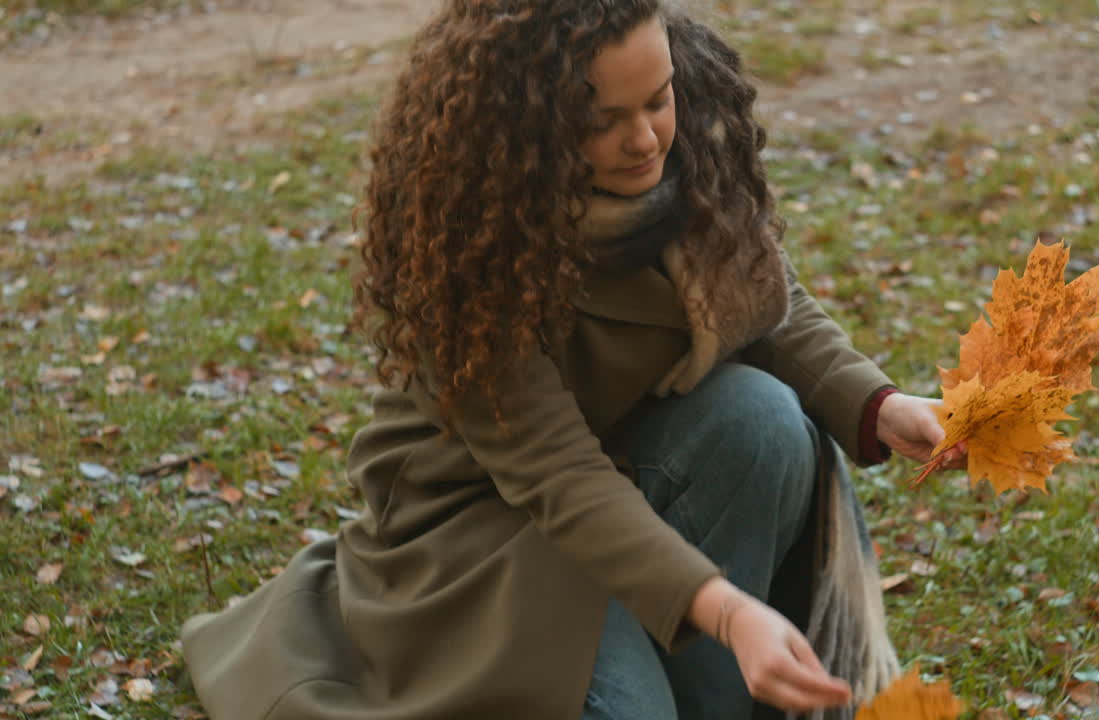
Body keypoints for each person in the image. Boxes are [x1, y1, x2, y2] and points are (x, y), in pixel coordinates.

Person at [180, 1, 967, 719]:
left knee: (761, 417)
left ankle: (712, 696)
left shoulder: (685, 155)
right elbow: (560, 478)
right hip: (487, 541)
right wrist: (728, 610)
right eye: (603, 117)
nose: (645, 138)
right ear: (530, 122)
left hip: (628, 476)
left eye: (658, 99)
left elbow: (765, 299)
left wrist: (880, 406)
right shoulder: (473, 247)